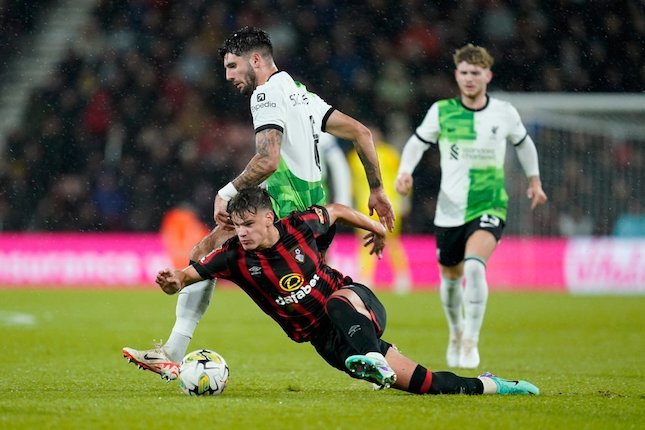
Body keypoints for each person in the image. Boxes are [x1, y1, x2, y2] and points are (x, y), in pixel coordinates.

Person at [123, 27, 395, 380]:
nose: (228, 76)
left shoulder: (265, 95)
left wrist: (226, 192)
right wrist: (376, 189)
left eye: (233, 66)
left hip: (285, 211)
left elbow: (267, 160)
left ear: (255, 59)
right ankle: (371, 353)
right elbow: (362, 132)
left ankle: (172, 353)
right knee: (298, 299)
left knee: (207, 255)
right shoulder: (301, 94)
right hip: (313, 213)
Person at [156, 187, 540, 396]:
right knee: (425, 384)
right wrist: (175, 281)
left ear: (269, 217)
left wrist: (374, 228)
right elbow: (191, 274)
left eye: (249, 224)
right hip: (327, 343)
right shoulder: (233, 257)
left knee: (336, 304)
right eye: (238, 225)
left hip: (356, 303)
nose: (242, 232)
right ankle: (495, 385)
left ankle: (371, 356)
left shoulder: (300, 226)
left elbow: (336, 210)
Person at [395, 44, 548, 369]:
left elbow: (524, 145)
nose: (469, 78)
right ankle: (455, 331)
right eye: (464, 72)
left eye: (475, 73)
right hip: (450, 209)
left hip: (489, 203)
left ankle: (471, 340)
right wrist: (405, 171)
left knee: (475, 266)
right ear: (457, 75)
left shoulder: (503, 112)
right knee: (450, 277)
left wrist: (534, 180)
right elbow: (417, 143)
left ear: (487, 75)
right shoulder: (442, 111)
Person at [347, 126, 412, 292]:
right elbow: (352, 182)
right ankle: (365, 278)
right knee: (365, 243)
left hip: (389, 206)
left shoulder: (390, 154)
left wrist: (405, 201)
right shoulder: (354, 157)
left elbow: (402, 179)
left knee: (392, 242)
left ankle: (402, 277)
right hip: (364, 207)